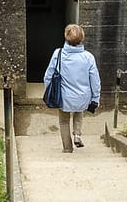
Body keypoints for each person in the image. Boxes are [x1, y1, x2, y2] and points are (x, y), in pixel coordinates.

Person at [43, 24, 101, 153]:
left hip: (64, 97)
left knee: (64, 121)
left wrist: (49, 91)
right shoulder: (88, 57)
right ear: (82, 38)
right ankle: (77, 135)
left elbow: (48, 76)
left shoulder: (58, 54)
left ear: (66, 37)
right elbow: (95, 80)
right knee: (78, 111)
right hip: (83, 97)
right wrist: (95, 97)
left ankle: (67, 148)